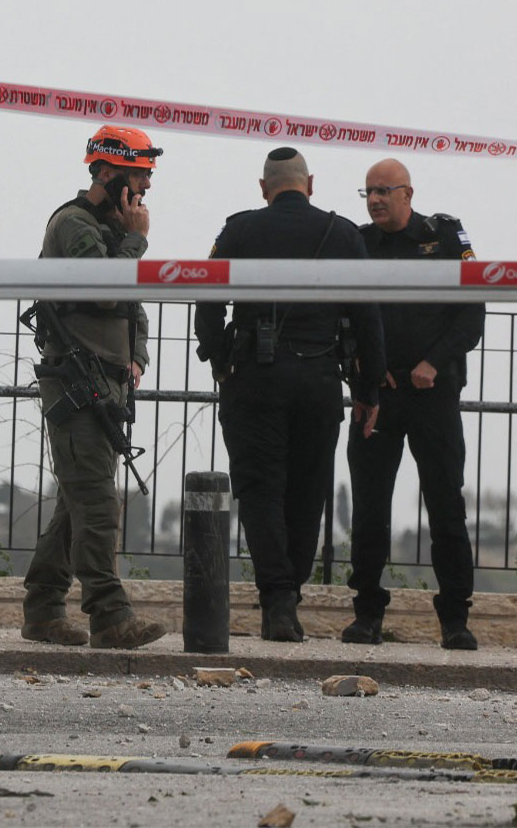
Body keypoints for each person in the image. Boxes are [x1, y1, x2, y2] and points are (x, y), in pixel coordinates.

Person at [194, 147, 385, 642]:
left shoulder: (238, 229)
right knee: (308, 489)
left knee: (260, 490)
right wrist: (368, 388)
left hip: (254, 378)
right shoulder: (343, 233)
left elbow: (208, 301)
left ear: (264, 188)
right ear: (311, 184)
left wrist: (219, 361)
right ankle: (288, 595)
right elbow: (369, 316)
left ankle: (278, 600)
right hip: (320, 378)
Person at [20, 125, 168, 650]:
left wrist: (137, 356)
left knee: (77, 503)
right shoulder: (74, 225)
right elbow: (106, 292)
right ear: (106, 173)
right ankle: (110, 615)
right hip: (76, 382)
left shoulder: (110, 235)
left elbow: (132, 307)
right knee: (98, 505)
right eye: (137, 182)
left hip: (108, 383)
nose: (143, 195)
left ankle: (42, 608)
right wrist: (136, 241)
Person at [344, 158, 483, 650]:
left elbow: (472, 316)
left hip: (432, 392)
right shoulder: (359, 243)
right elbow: (345, 317)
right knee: (370, 506)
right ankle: (366, 614)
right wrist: (362, 366)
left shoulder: (444, 237)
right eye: (368, 193)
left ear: (407, 193)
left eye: (384, 191)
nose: (376, 200)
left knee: (446, 504)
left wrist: (433, 362)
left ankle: (455, 619)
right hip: (377, 396)